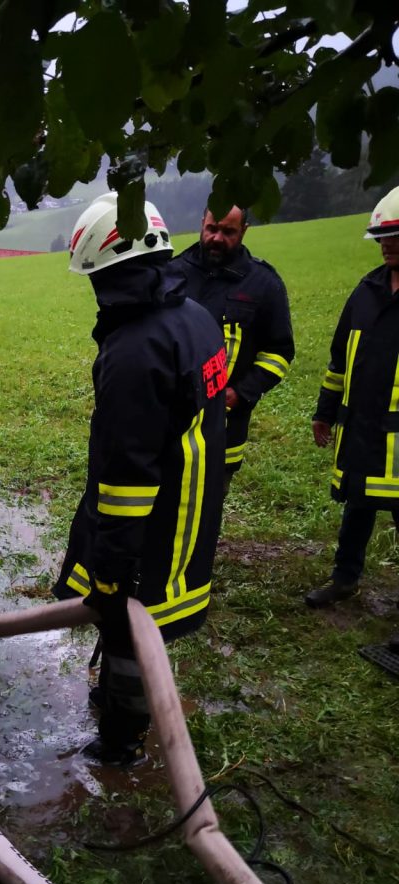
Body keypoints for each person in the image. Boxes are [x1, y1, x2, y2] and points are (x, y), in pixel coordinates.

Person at [53, 193, 227, 765]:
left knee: (129, 619)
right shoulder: (196, 318)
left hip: (153, 520)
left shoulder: (135, 350)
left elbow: (128, 477)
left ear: (109, 272)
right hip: (191, 503)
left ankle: (120, 742)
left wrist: (110, 569)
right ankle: (116, 694)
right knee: (142, 616)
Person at [305, 185, 399, 611]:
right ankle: (345, 578)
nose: (387, 245)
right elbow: (339, 360)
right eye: (383, 237)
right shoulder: (366, 292)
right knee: (357, 507)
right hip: (363, 429)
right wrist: (324, 412)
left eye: (396, 237)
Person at [171, 205, 294, 493]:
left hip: (223, 433)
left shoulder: (264, 284)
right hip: (169, 427)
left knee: (205, 519)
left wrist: (242, 393)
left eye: (228, 232)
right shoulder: (172, 274)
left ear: (244, 231)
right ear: (202, 223)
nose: (217, 238)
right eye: (212, 229)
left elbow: (279, 352)